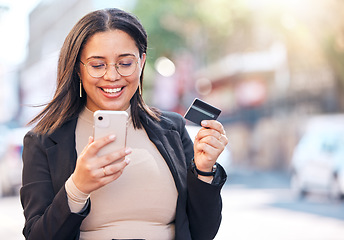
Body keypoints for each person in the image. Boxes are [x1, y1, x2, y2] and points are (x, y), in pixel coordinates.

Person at [20, 8, 228, 240]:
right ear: (78, 69)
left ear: (141, 63)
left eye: (125, 63)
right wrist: (77, 188)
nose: (112, 76)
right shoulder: (43, 140)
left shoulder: (172, 129)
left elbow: (202, 232)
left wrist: (203, 170)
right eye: (98, 65)